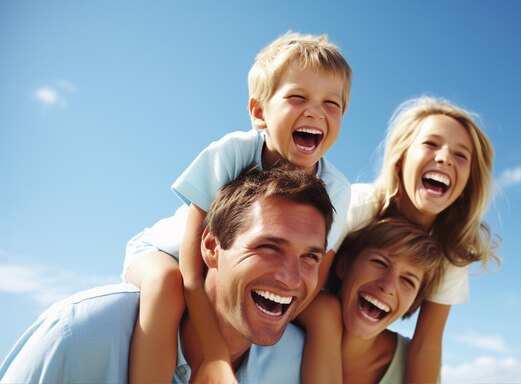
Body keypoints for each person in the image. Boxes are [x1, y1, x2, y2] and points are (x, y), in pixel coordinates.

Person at [123, 32, 352, 383]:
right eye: (297, 97)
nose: (315, 111)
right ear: (259, 113)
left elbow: (314, 275)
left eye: (331, 104)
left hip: (240, 273)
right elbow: (192, 263)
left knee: (325, 312)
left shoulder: (336, 189)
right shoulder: (233, 153)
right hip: (170, 254)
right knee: (165, 286)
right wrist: (215, 352)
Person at [0, 164, 335, 384]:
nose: (291, 278)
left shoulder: (297, 367)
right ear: (211, 247)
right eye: (269, 247)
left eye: (309, 257)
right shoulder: (80, 334)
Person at [300, 95, 501, 383]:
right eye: (431, 144)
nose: (444, 157)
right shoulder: (356, 204)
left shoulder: (452, 251)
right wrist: (326, 325)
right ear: (402, 157)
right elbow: (307, 289)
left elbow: (427, 346)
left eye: (461, 155)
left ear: (468, 182)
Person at [300, 217, 446, 383]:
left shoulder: (418, 369)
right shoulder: (294, 322)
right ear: (344, 264)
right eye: (379, 262)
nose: (388, 286)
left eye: (408, 281)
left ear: (413, 302)